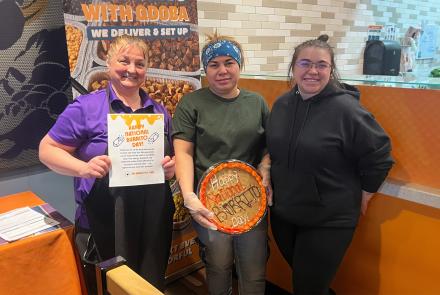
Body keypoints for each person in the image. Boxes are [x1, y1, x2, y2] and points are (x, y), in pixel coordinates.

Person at [39, 35, 175, 294]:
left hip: (152, 220)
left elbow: (173, 158)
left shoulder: (159, 111)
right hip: (103, 220)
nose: (131, 70)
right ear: (108, 62)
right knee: (110, 286)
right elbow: (47, 150)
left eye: (139, 63)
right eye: (124, 61)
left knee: (149, 284)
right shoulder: (86, 107)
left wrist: (171, 168)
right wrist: (83, 168)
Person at [266, 34, 394, 295]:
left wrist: (367, 191)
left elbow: (380, 153)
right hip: (285, 214)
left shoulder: (347, 110)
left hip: (329, 219)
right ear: (293, 67)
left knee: (307, 287)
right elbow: (273, 148)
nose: (313, 71)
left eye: (321, 65)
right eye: (305, 63)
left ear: (331, 70)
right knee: (310, 284)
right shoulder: (281, 104)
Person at [172, 33, 272, 295]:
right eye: (214, 64)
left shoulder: (257, 102)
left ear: (240, 65)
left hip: (251, 200)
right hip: (209, 204)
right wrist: (188, 196)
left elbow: (269, 146)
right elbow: (182, 152)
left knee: (254, 267)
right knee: (218, 265)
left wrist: (266, 166)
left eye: (229, 62)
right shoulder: (191, 103)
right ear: (205, 69)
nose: (222, 70)